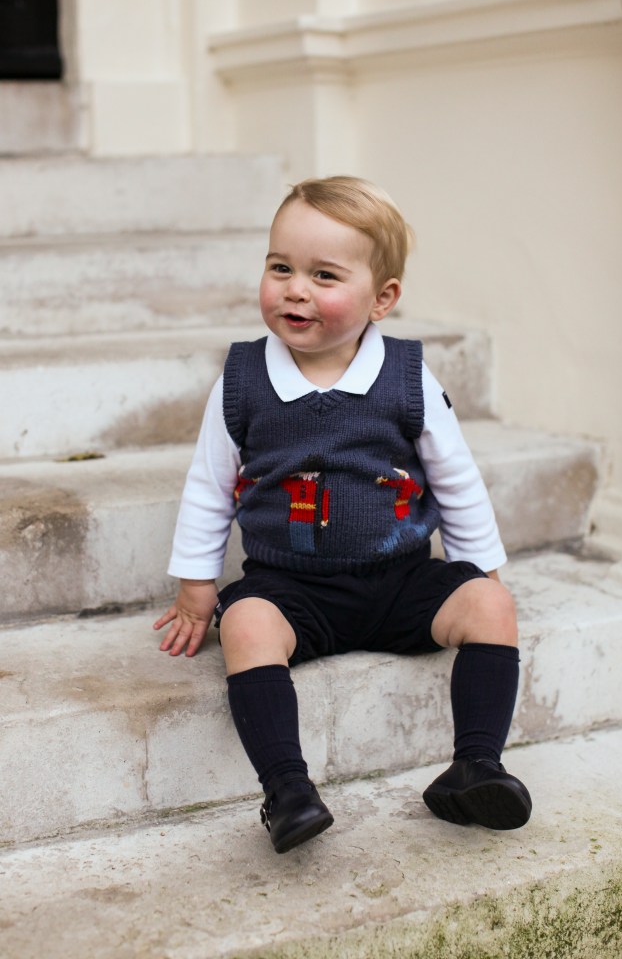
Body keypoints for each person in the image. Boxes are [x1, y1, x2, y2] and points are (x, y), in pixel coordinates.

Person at [153, 175, 532, 854]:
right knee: (244, 625)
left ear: (382, 298)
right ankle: (287, 789)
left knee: (492, 610)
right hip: (292, 589)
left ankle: (476, 765)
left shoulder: (408, 377)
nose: (295, 288)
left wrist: (486, 572)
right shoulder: (242, 379)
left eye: (323, 275)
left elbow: (456, 479)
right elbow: (210, 486)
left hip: (400, 581)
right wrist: (195, 582)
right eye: (281, 268)